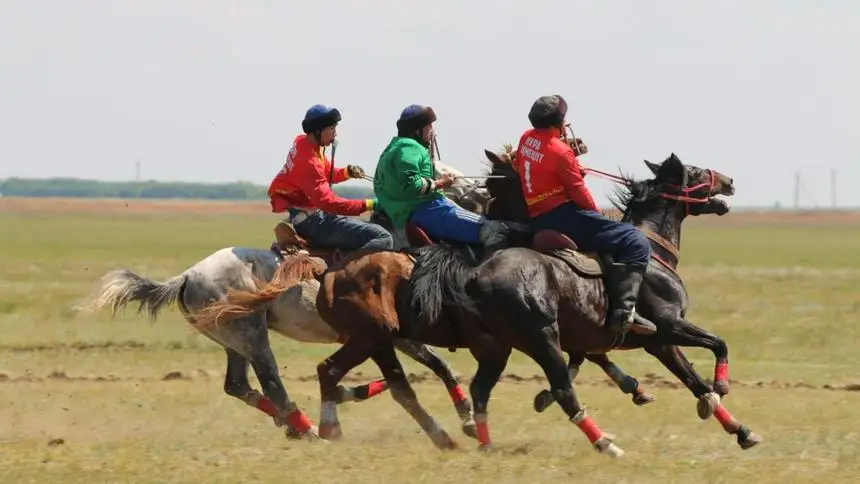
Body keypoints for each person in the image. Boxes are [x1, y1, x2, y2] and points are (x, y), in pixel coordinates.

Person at [513, 94, 655, 335]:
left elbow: (526, 165)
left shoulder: (526, 138)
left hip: (536, 216)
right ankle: (624, 313)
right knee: (636, 240)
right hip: (563, 216)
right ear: (558, 122)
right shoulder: (561, 151)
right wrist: (596, 214)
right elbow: (578, 192)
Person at [372, 104, 508, 251]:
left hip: (403, 215)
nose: (432, 130)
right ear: (417, 129)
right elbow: (412, 186)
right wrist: (441, 183)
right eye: (429, 125)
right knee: (495, 230)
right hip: (430, 211)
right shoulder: (410, 147)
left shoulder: (391, 148)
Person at [267, 104, 393, 251]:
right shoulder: (309, 162)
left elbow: (325, 173)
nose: (336, 134)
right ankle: (348, 266)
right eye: (332, 129)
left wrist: (347, 172)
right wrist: (370, 204)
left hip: (311, 216)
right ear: (318, 130)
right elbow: (329, 202)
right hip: (315, 222)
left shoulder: (304, 143)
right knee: (383, 237)